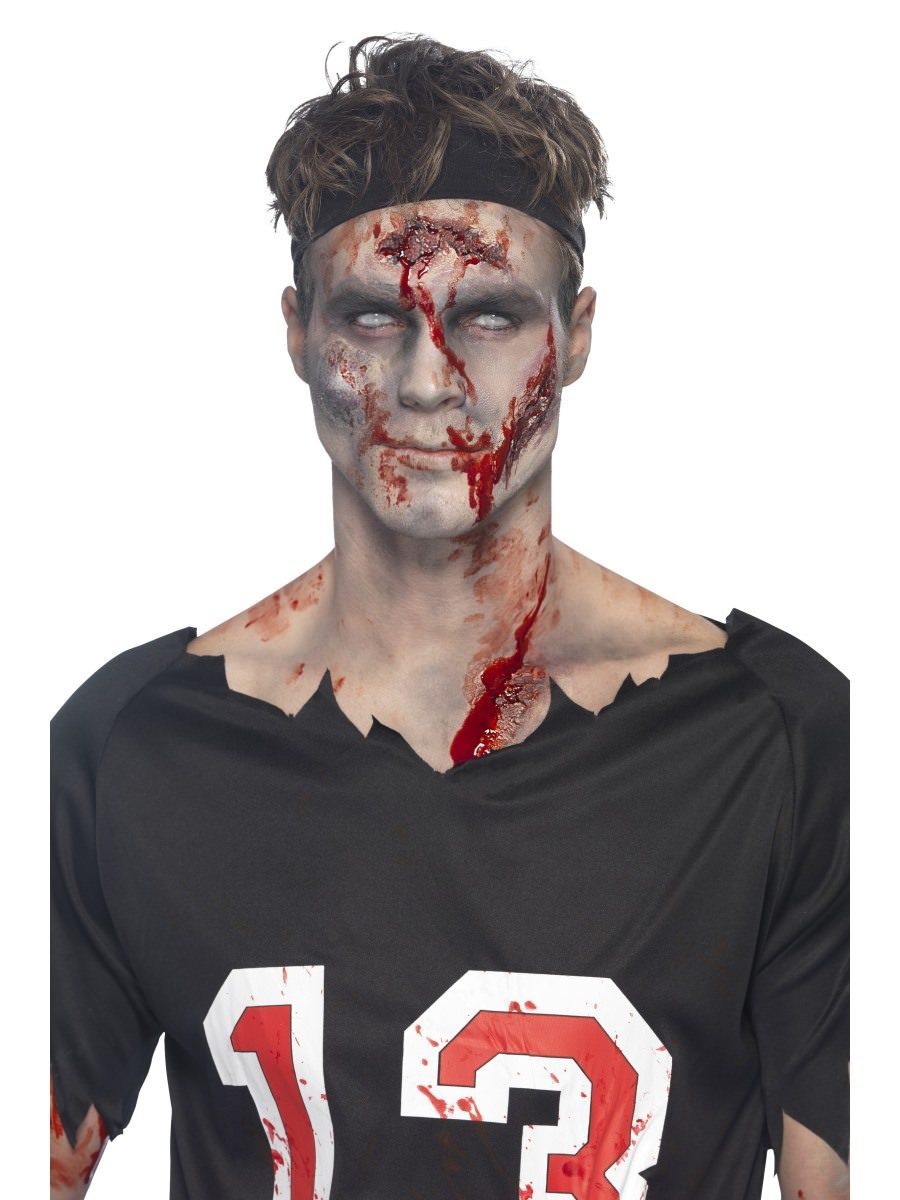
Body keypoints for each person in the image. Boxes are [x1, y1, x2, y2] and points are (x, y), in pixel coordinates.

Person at [50, 34, 849, 1200]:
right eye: (374, 318)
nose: (429, 383)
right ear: (298, 332)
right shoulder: (134, 746)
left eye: (488, 317)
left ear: (577, 333)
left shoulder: (779, 739)